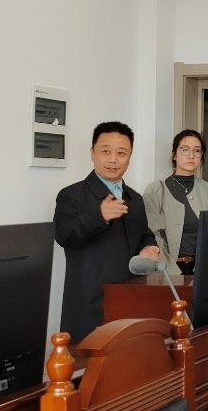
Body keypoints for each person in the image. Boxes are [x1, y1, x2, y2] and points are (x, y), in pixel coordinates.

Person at [53, 121, 159, 341]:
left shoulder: (135, 198)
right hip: (89, 304)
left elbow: (144, 234)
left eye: (121, 153)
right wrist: (98, 216)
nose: (113, 159)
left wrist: (149, 247)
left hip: (131, 299)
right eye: (106, 151)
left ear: (129, 157)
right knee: (87, 361)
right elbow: (64, 236)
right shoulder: (71, 195)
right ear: (92, 153)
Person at [144, 129, 208, 274]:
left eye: (197, 151)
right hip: (167, 271)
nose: (191, 155)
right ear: (174, 154)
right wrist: (171, 272)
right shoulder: (155, 191)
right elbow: (153, 238)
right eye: (185, 150)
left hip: (203, 270)